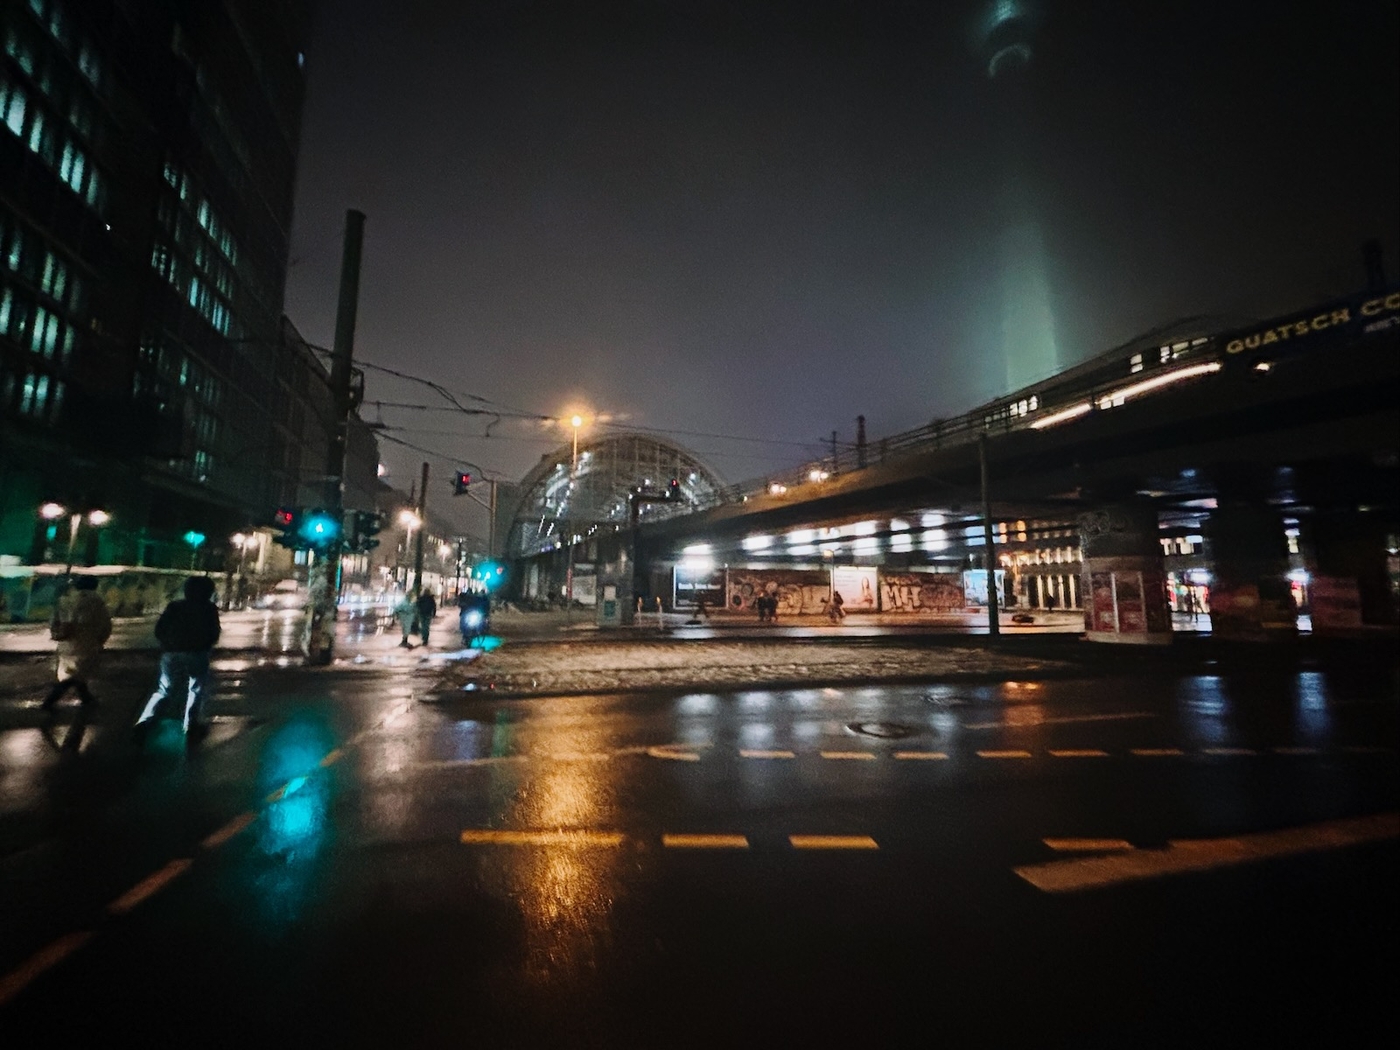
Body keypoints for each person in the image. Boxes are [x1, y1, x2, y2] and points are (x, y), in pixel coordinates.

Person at [133, 575, 221, 744]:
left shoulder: (174, 606)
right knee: (195, 689)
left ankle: (144, 721)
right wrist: (205, 645)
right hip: (197, 653)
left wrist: (167, 644)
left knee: (164, 690)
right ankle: (191, 725)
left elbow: (160, 629)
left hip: (172, 653)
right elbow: (213, 632)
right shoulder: (209, 608)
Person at [43, 576, 111, 711]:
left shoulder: (65, 600)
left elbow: (53, 621)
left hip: (66, 643)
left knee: (73, 673)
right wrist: (100, 641)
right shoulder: (97, 602)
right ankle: (50, 701)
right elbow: (106, 625)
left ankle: (86, 698)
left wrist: (57, 634)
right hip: (87, 644)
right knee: (76, 675)